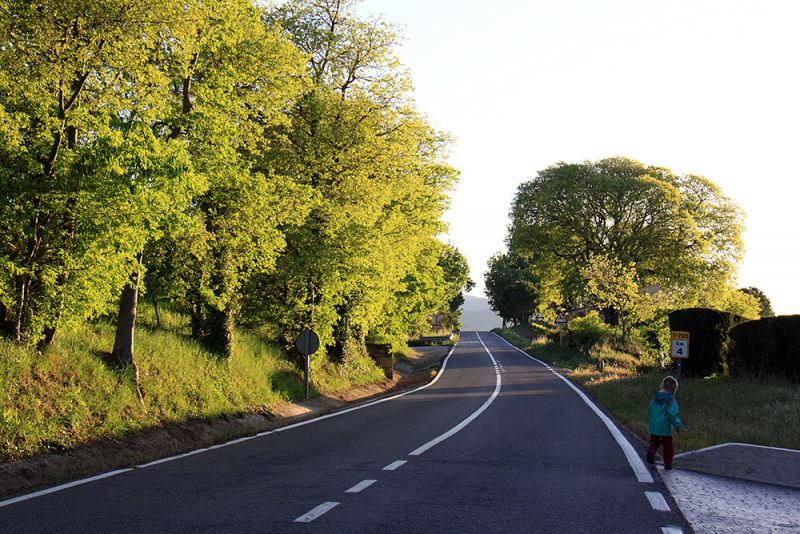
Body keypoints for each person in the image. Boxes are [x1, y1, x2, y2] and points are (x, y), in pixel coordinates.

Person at [646, 376, 682, 470]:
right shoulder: (671, 401)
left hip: (654, 425)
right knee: (667, 445)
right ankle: (668, 463)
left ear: (663, 385)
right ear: (674, 389)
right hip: (665, 427)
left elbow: (650, 408)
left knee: (654, 441)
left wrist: (652, 420)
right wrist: (677, 426)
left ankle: (651, 451)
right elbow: (673, 414)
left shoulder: (655, 398)